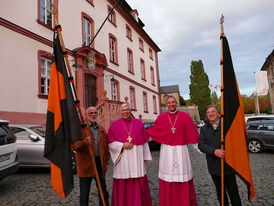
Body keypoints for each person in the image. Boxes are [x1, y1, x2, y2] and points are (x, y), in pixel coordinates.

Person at [147, 96, 199, 206]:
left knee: (183, 176)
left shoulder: (185, 117)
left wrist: (207, 150)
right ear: (166, 104)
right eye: (169, 102)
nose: (171, 104)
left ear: (176, 103)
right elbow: (151, 133)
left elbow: (194, 136)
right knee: (168, 177)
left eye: (173, 102)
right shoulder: (161, 117)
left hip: (181, 151)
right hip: (167, 151)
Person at [107, 102, 152, 206]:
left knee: (138, 180)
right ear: (120, 112)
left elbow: (144, 141)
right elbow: (110, 143)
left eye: (127, 110)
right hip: (123, 161)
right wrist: (122, 145)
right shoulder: (114, 126)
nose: (125, 112)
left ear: (130, 111)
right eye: (123, 110)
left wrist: (145, 157)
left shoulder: (139, 123)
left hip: (137, 160)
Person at [198, 105, 242, 206]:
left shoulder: (227, 126)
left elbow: (236, 142)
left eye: (213, 111)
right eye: (208, 112)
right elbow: (201, 145)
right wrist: (214, 151)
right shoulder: (204, 128)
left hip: (228, 165)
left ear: (218, 113)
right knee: (220, 193)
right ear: (206, 115)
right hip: (214, 167)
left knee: (233, 193)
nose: (211, 114)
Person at [72, 107, 110, 206]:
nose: (93, 115)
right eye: (91, 113)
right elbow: (73, 146)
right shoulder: (81, 129)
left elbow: (106, 149)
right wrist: (83, 143)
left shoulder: (101, 129)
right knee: (84, 195)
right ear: (86, 115)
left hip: (99, 164)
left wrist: (105, 163)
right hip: (86, 166)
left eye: (95, 113)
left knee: (103, 192)